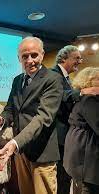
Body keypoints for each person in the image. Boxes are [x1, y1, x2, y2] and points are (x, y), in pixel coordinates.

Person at [0, 36, 63, 194]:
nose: (30, 60)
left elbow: (42, 118)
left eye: (34, 55)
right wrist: (1, 118)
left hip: (41, 153)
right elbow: (11, 108)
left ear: (42, 55)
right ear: (19, 58)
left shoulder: (53, 79)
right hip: (21, 152)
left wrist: (15, 142)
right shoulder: (17, 80)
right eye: (25, 56)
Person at [51, 45, 83, 194]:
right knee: (61, 178)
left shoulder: (65, 77)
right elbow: (63, 96)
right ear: (64, 58)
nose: (80, 61)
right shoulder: (53, 75)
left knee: (64, 178)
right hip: (57, 138)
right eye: (77, 58)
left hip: (64, 137)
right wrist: (85, 91)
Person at [63, 67, 99, 194]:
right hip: (86, 159)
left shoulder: (84, 97)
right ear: (90, 81)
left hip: (81, 157)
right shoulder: (90, 99)